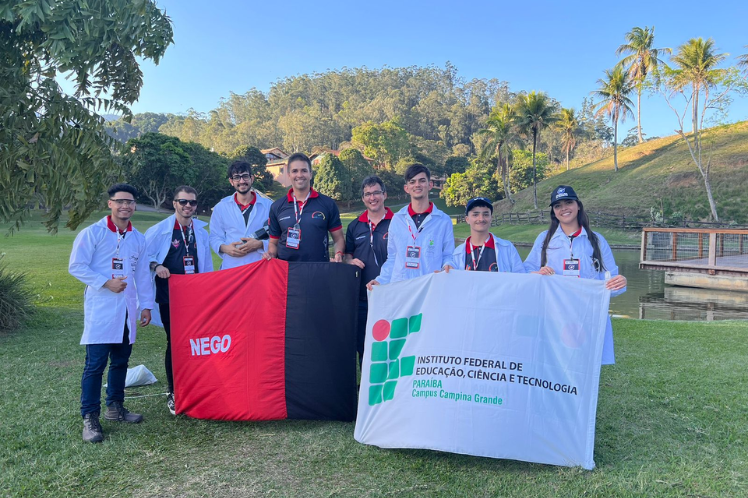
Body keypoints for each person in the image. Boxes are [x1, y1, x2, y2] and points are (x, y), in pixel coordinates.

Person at [68, 183, 154, 443]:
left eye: (130, 202)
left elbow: (142, 274)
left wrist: (146, 305)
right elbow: (76, 266)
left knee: (120, 362)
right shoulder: (93, 233)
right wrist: (106, 282)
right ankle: (90, 416)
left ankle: (115, 407)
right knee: (95, 365)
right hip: (101, 308)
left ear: (135, 205)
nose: (125, 206)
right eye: (120, 201)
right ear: (110, 204)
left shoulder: (138, 238)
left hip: (127, 309)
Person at [524, 185, 627, 365]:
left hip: (586, 314)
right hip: (553, 314)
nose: (564, 208)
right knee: (553, 364)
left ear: (578, 205)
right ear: (554, 212)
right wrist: (537, 273)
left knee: (584, 365)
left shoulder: (596, 240)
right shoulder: (544, 239)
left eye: (568, 203)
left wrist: (620, 282)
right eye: (558, 206)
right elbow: (525, 272)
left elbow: (611, 280)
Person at [144, 186, 213, 415]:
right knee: (175, 342)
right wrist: (157, 266)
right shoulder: (159, 230)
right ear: (174, 203)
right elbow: (144, 257)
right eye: (183, 201)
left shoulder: (200, 232)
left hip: (195, 296)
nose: (188, 206)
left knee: (195, 342)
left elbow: (206, 265)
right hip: (169, 296)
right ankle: (174, 391)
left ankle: (195, 387)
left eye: (192, 202)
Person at [368, 164, 454, 289]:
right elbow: (392, 257)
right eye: (412, 182)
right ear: (406, 188)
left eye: (422, 181)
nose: (417, 185)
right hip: (401, 288)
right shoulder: (397, 219)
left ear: (430, 185)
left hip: (429, 288)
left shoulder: (443, 221)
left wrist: (447, 266)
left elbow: (448, 255)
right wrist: (381, 280)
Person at [345, 176, 393, 366]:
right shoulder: (355, 226)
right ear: (363, 198)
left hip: (392, 295)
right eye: (367, 194)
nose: (372, 198)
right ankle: (365, 382)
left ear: (385, 195)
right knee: (364, 346)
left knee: (390, 345)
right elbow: (347, 255)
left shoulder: (398, 223)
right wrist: (349, 261)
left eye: (376, 193)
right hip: (363, 297)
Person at [264, 152, 345, 262]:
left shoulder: (327, 203)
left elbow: (338, 238)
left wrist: (339, 253)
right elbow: (273, 243)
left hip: (318, 268)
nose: (299, 175)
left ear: (310, 174)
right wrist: (271, 254)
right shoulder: (277, 206)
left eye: (304, 170)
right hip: (287, 269)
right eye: (295, 171)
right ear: (289, 175)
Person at [210, 160, 273, 269]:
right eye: (237, 177)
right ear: (231, 181)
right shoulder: (221, 207)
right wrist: (225, 248)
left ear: (252, 178)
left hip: (259, 266)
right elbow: (214, 236)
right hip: (231, 267)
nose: (242, 181)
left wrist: (261, 244)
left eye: (245, 176)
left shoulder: (269, 206)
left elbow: (277, 237)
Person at [453, 197, 525, 273]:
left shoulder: (508, 248)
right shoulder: (457, 253)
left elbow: (521, 277)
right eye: (475, 215)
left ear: (491, 218)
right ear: (467, 219)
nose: (481, 219)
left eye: (486, 214)